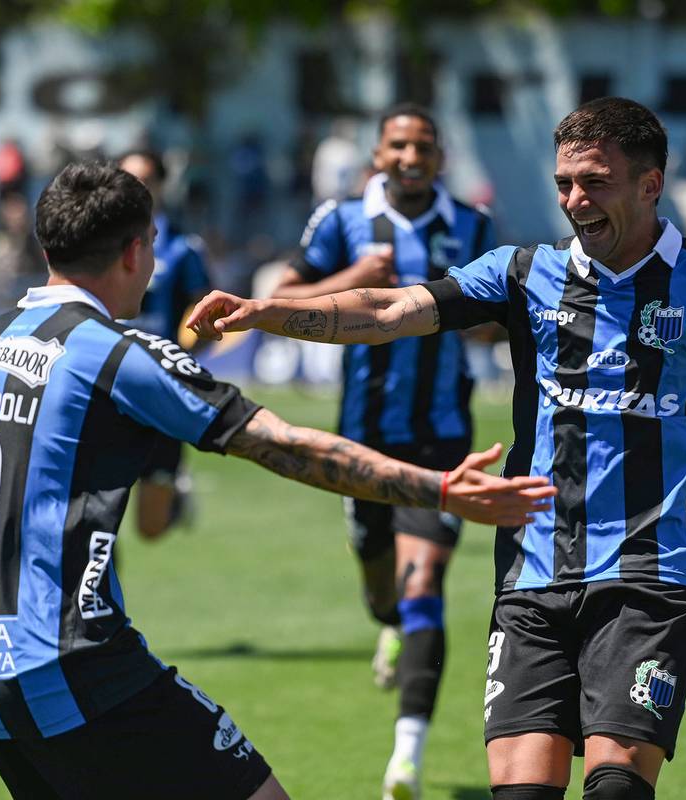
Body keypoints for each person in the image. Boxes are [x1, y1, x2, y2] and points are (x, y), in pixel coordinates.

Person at [186, 98, 686, 799]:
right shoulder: (524, 273)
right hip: (531, 573)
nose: (573, 201)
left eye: (594, 182)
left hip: (648, 576)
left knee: (617, 789)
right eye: (564, 182)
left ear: (651, 185)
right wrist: (269, 311)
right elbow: (392, 308)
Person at [0, 162, 554, 799]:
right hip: (76, 663)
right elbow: (282, 445)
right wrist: (441, 489)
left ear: (46, 249)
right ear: (135, 250)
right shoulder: (112, 350)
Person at [271, 103, 495, 800]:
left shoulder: (473, 227)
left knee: (424, 583)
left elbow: (495, 320)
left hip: (442, 442)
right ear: (378, 154)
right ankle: (391, 625)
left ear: (440, 157)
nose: (410, 157)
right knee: (383, 593)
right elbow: (281, 298)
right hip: (361, 439)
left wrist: (484, 324)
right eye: (398, 145)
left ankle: (406, 758)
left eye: (423, 146)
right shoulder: (339, 220)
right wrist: (354, 276)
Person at [118, 149, 213, 540]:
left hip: (161, 389)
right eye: (127, 178)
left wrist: (190, 348)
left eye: (145, 179)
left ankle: (174, 496)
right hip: (107, 384)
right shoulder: (95, 243)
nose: (137, 187)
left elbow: (203, 312)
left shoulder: (182, 247)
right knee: (93, 520)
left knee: (150, 529)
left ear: (159, 185)